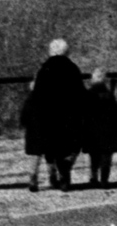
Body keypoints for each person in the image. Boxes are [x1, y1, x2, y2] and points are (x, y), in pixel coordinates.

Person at [21, 39, 86, 192]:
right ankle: (64, 176)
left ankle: (53, 177)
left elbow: (36, 96)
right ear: (66, 51)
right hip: (68, 116)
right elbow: (80, 95)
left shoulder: (44, 69)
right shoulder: (72, 68)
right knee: (68, 148)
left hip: (47, 117)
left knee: (50, 148)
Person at [81, 67, 117, 189]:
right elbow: (116, 115)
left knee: (93, 156)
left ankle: (93, 177)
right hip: (108, 132)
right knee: (106, 156)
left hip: (92, 131)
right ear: (105, 80)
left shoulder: (87, 96)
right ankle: (104, 180)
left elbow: (83, 115)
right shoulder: (110, 97)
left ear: (92, 80)